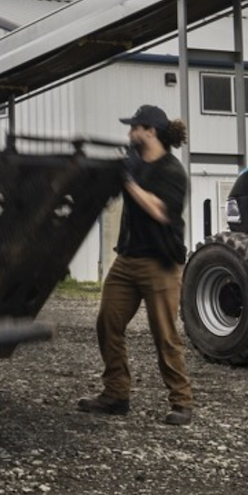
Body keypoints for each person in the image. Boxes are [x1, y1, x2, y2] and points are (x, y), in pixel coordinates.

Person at [80, 104, 195, 425]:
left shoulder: (172, 171)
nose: (129, 133)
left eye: (134, 128)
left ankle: (182, 402)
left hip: (160, 264)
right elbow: (106, 187)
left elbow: (159, 211)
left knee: (165, 335)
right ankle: (116, 394)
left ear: (150, 131)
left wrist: (128, 181)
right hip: (127, 259)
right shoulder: (132, 161)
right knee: (108, 323)